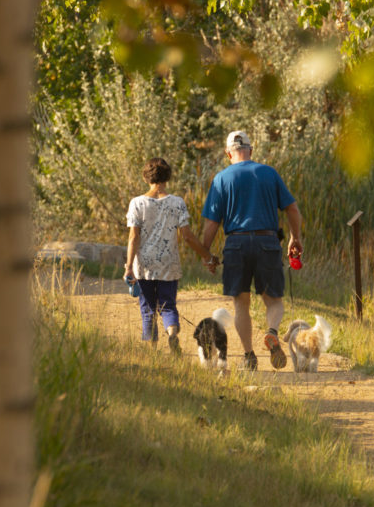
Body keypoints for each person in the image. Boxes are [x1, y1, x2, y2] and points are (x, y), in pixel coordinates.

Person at [200, 130, 303, 370]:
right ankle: (272, 331)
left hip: (236, 244)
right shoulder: (268, 173)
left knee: (241, 304)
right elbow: (293, 210)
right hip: (267, 242)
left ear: (228, 154)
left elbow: (211, 224)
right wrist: (295, 238)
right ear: (251, 150)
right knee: (274, 301)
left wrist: (206, 254)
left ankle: (249, 356)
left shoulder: (221, 179)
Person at [125, 157, 216, 354]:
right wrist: (206, 255)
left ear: (146, 177)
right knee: (168, 306)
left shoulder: (137, 203)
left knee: (148, 309)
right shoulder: (177, 203)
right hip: (169, 264)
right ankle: (172, 333)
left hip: (144, 266)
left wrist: (128, 266)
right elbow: (188, 237)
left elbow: (133, 237)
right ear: (168, 177)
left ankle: (152, 351)